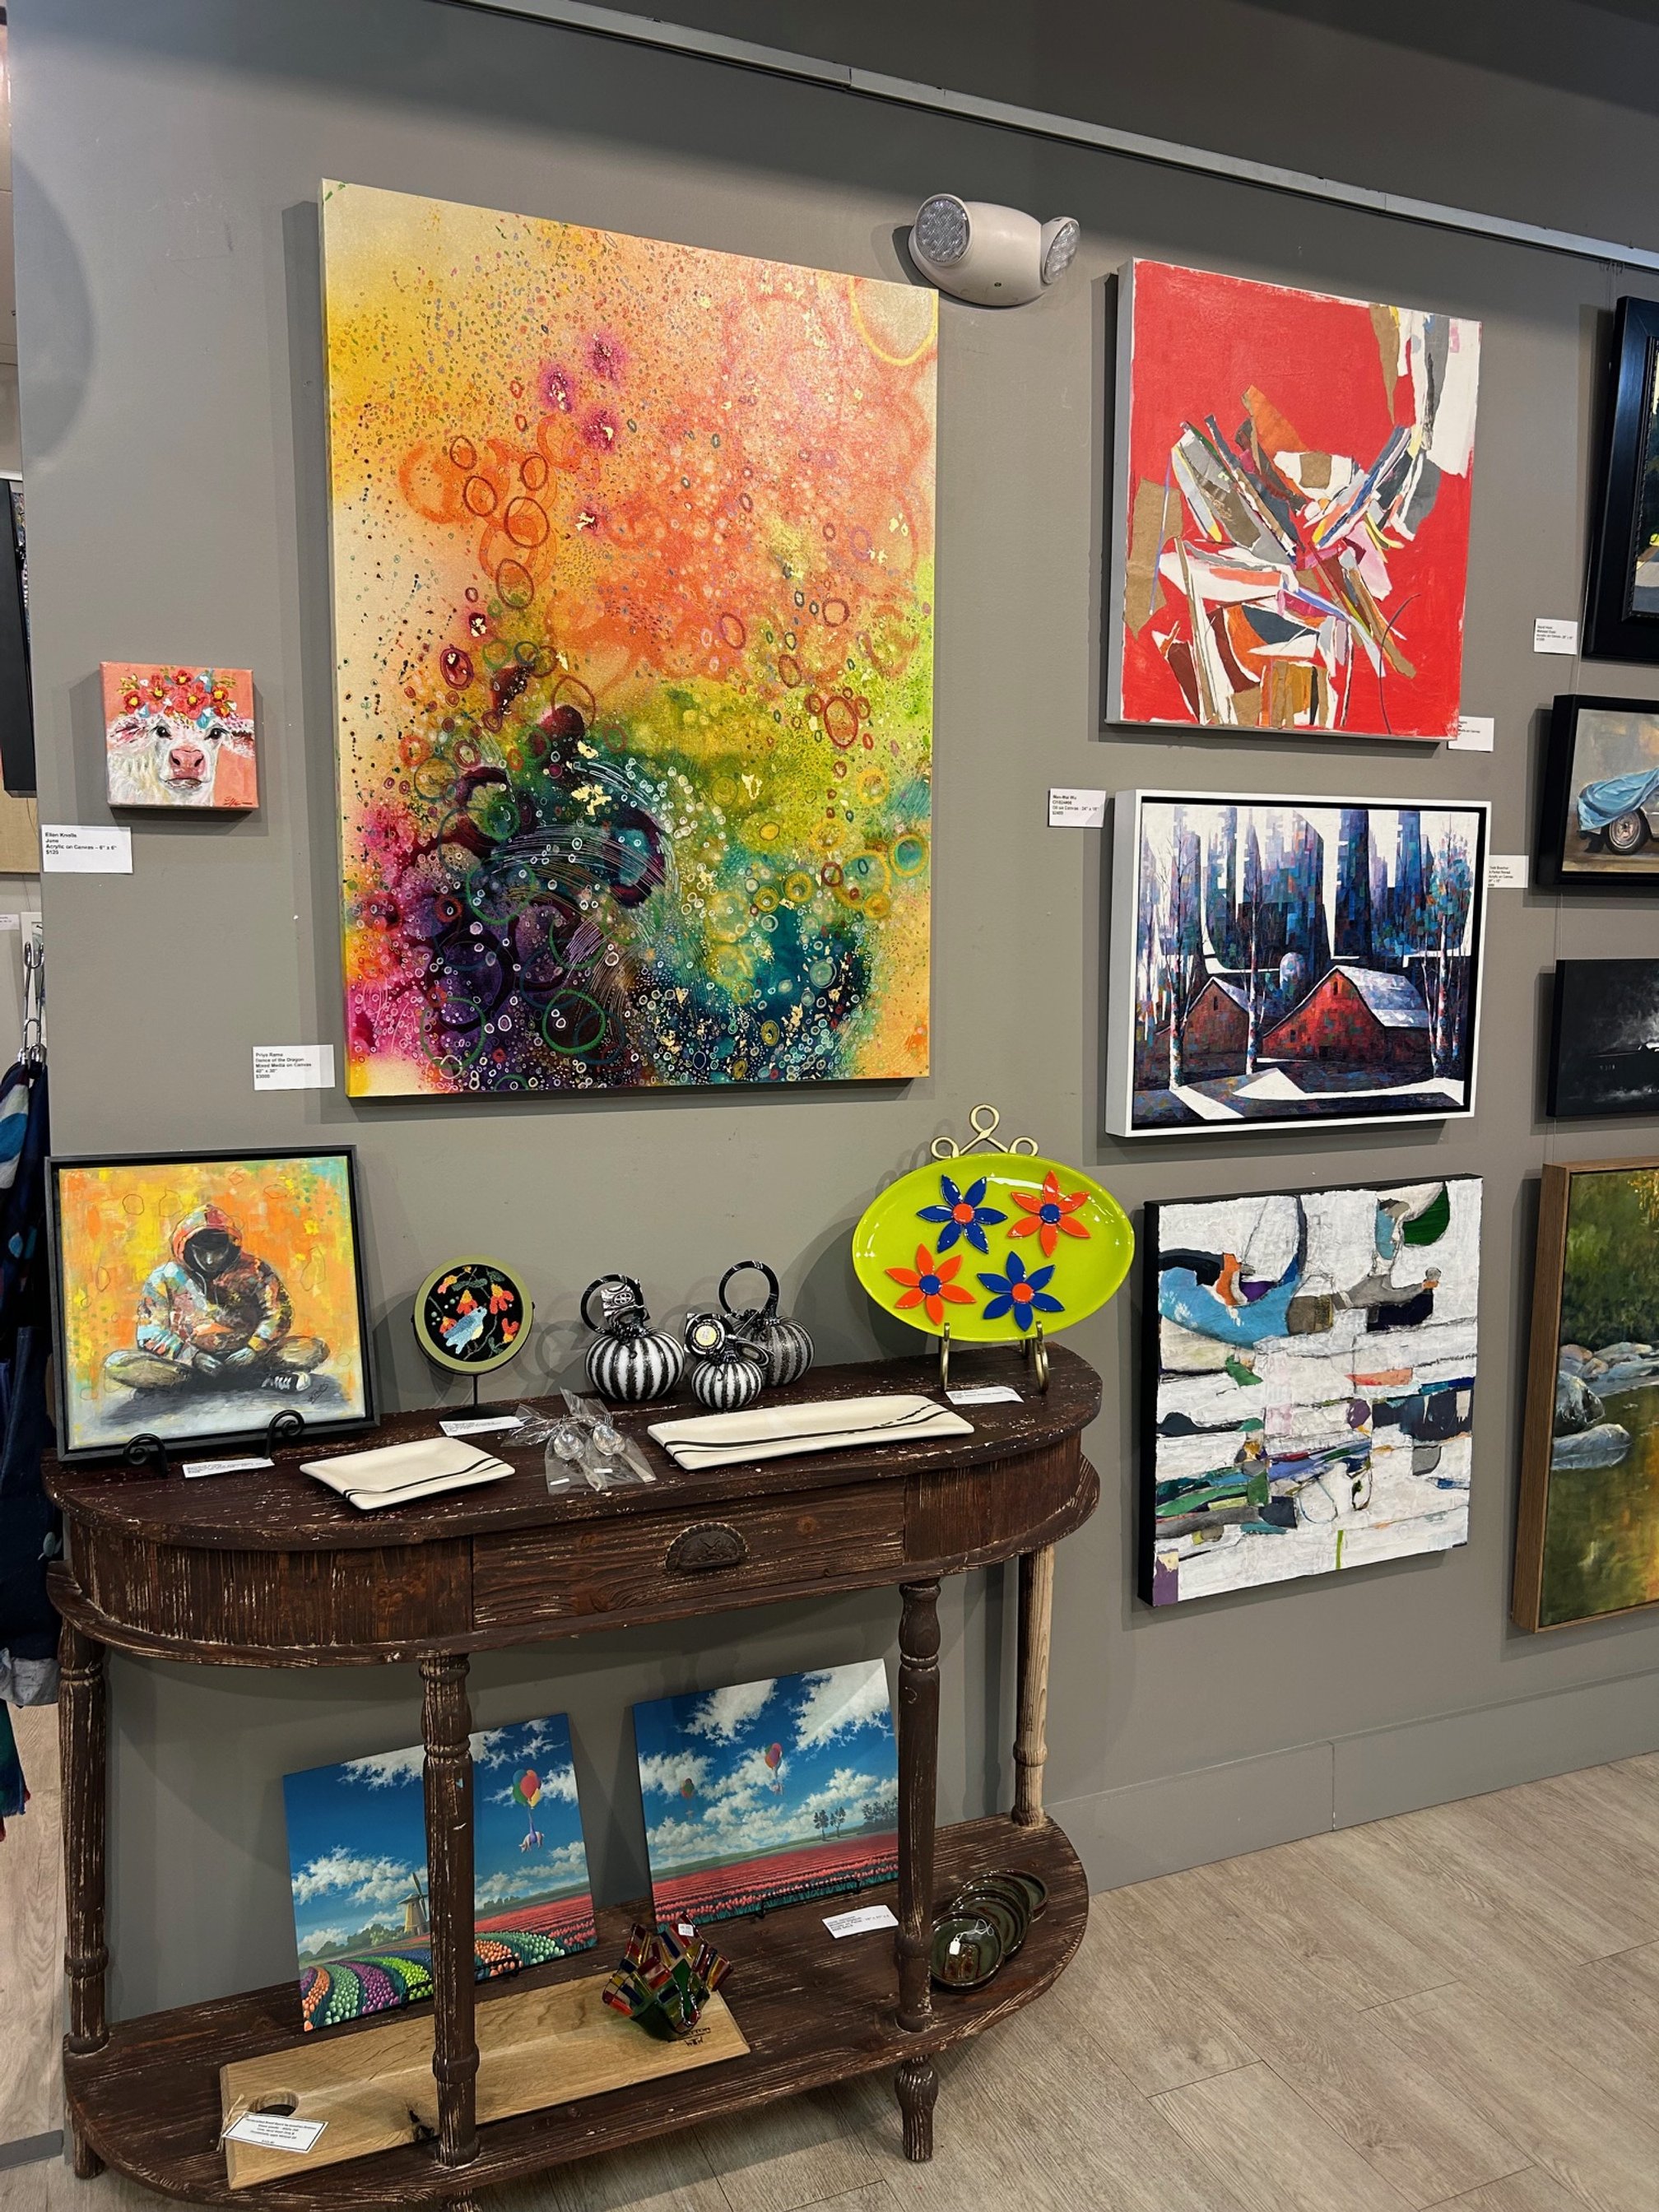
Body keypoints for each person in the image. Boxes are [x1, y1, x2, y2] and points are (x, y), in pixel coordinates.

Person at [103, 1205, 328, 1396]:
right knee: (118, 1363)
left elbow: (278, 1312)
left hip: (248, 1356)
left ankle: (200, 1386)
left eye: (218, 1250)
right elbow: (150, 1332)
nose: (210, 1260)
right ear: (185, 1248)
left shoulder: (255, 1269)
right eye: (202, 1251)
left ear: (231, 1246)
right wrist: (192, 1357)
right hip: (189, 1364)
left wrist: (254, 1348)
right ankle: (258, 1381)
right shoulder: (164, 1277)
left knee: (314, 1349)